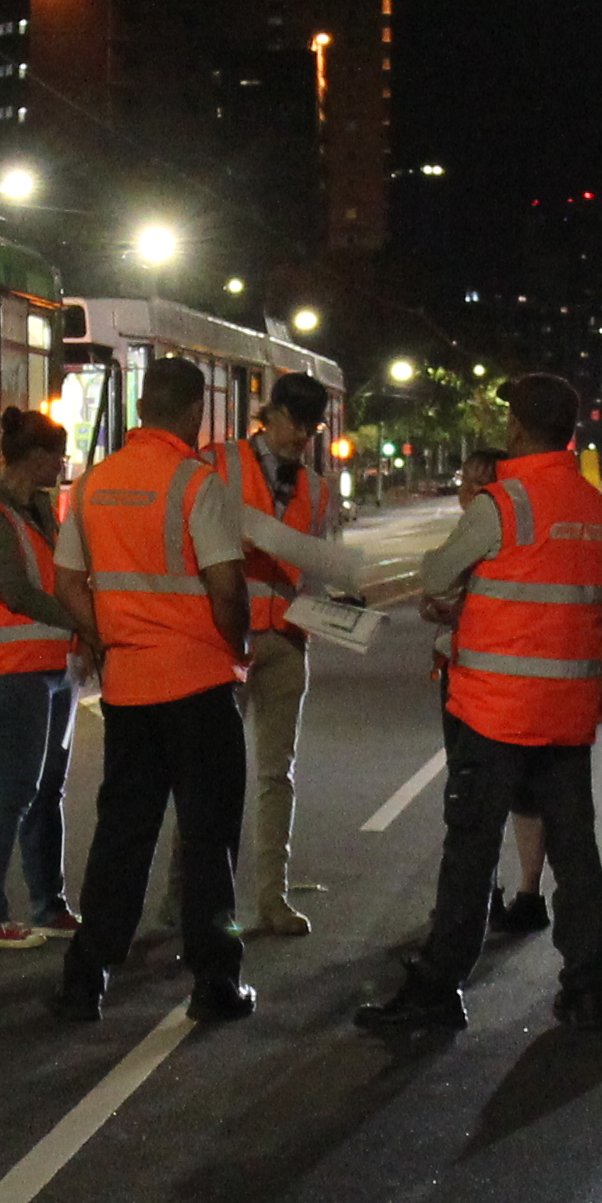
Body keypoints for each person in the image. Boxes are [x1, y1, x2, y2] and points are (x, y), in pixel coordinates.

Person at [52, 352, 376, 1029]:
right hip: (199, 683)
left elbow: (68, 587)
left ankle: (86, 979)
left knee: (122, 833)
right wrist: (232, 646)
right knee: (208, 837)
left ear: (142, 406)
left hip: (130, 690)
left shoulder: (93, 484)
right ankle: (214, 981)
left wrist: (110, 641)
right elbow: (227, 586)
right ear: (196, 410)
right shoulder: (196, 485)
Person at [356, 372, 602, 1037]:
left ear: (516, 429)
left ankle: (439, 987)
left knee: (470, 852)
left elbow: (436, 575)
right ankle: (586, 984)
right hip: (566, 710)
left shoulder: (501, 505)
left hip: (495, 711)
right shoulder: (596, 508)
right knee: (576, 850)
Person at [0, 405, 84, 945]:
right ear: (30, 457)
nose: (62, 464)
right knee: (14, 792)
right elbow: (17, 593)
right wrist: (88, 623)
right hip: (13, 670)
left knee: (47, 789)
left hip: (54, 667)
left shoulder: (38, 509)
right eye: (55, 455)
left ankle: (48, 905)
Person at [233, 370, 340, 935]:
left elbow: (318, 567)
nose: (302, 437)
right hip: (229, 641)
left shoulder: (318, 489)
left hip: (287, 640)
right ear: (267, 413)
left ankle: (271, 899)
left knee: (278, 776)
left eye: (311, 427)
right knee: (215, 775)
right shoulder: (221, 466)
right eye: (294, 423)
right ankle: (187, 900)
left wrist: (337, 607)